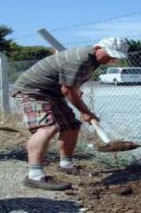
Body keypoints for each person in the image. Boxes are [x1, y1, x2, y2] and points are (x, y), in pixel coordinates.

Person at [12, 37, 129, 190]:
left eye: (115, 56)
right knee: (47, 128)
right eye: (109, 54)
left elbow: (69, 84)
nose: (112, 58)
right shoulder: (79, 59)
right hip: (32, 91)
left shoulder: (93, 60)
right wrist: (86, 112)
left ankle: (66, 165)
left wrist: (75, 90)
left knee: (72, 127)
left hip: (52, 93)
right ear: (98, 47)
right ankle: (35, 175)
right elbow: (66, 89)